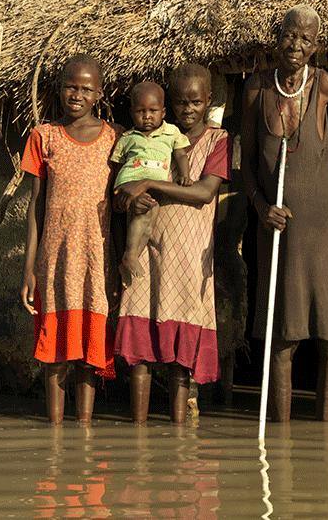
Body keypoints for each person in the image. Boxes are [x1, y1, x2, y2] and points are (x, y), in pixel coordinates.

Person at [242, 4, 328, 422]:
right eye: (289, 36)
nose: (295, 46)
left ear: (316, 46)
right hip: (278, 229)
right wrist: (263, 209)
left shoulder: (325, 84)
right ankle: (280, 432)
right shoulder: (256, 88)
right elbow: (245, 164)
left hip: (326, 227)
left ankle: (325, 431)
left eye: (305, 39)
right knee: (283, 337)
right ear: (277, 37)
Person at [112, 63, 230, 424]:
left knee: (182, 357)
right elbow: (123, 186)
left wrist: (149, 186)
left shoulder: (217, 140)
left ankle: (179, 431)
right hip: (147, 248)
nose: (187, 109)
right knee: (140, 354)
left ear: (208, 100)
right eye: (180, 102)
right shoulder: (155, 137)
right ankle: (139, 431)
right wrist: (129, 197)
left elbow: (204, 192)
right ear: (168, 105)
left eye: (195, 102)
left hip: (189, 255)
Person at [20, 54, 121, 424]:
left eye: (86, 88)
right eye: (70, 86)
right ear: (60, 87)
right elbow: (36, 207)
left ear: (98, 93)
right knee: (55, 352)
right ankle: (56, 434)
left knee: (89, 353)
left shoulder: (115, 138)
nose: (77, 94)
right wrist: (28, 268)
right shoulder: (43, 137)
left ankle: (85, 430)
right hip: (55, 259)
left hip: (96, 258)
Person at [111, 80, 192, 285]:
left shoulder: (171, 132)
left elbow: (181, 155)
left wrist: (185, 175)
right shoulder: (127, 137)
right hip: (130, 181)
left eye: (153, 110)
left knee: (151, 217)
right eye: (140, 111)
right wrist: (119, 190)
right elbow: (118, 166)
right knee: (145, 211)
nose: (147, 116)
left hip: (151, 184)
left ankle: (129, 257)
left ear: (163, 112)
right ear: (131, 113)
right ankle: (129, 255)